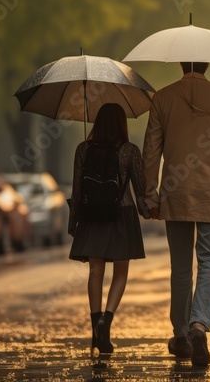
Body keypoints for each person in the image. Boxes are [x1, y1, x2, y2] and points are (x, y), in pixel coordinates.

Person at [142, 62, 210, 367]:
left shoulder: (162, 98)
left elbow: (150, 151)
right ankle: (198, 325)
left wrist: (149, 195)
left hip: (175, 194)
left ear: (180, 64)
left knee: (180, 267)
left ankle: (179, 335)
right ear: (208, 64)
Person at [68, 103, 148, 357]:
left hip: (92, 216)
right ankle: (107, 321)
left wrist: (74, 221)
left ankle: (95, 328)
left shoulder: (83, 149)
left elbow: (77, 190)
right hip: (121, 214)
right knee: (120, 273)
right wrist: (149, 210)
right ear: (122, 124)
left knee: (95, 271)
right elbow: (141, 189)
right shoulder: (130, 151)